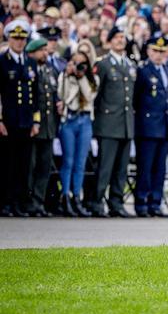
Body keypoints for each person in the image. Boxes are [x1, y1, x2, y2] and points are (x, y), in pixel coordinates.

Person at [91, 25, 137, 217]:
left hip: (126, 124)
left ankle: (116, 203)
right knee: (105, 168)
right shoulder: (103, 64)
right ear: (109, 41)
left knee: (121, 168)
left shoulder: (130, 64)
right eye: (116, 37)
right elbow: (96, 96)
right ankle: (97, 202)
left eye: (122, 37)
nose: (120, 40)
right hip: (108, 124)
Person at [0, 21, 40, 217]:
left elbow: (36, 94)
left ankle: (20, 202)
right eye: (15, 38)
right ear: (9, 38)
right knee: (8, 164)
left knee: (24, 165)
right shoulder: (2, 61)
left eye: (22, 38)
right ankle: (6, 202)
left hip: (26, 121)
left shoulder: (30, 63)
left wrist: (36, 120)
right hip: (8, 121)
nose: (19, 42)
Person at [133, 36, 168, 217]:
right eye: (155, 51)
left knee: (160, 168)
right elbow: (136, 98)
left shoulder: (167, 69)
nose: (158, 55)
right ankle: (142, 202)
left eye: (162, 51)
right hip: (147, 125)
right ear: (149, 51)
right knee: (146, 167)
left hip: (164, 126)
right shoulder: (143, 70)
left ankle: (155, 202)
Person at [58, 48, 98, 217]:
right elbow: (61, 95)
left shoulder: (92, 79)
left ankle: (76, 197)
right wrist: (69, 76)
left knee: (80, 162)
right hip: (69, 119)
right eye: (76, 62)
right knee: (68, 160)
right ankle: (65, 196)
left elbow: (89, 96)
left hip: (85, 120)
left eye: (82, 63)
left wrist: (81, 77)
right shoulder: (65, 77)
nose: (79, 66)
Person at [26, 37, 60, 216]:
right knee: (30, 167)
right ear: (32, 52)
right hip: (33, 127)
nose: (45, 53)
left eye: (46, 50)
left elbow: (53, 98)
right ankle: (28, 201)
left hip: (48, 127)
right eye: (42, 51)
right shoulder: (28, 70)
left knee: (44, 167)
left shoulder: (49, 71)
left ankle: (38, 202)